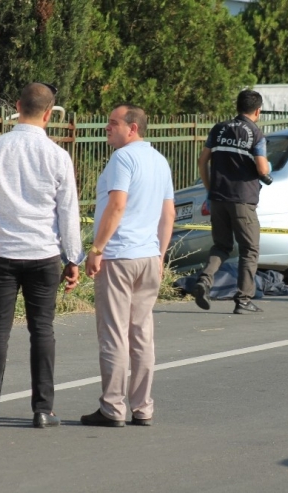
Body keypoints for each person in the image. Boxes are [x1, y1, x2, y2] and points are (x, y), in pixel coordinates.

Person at [0, 82, 83, 428]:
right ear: (49, 113)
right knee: (42, 330)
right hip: (44, 253)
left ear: (17, 106)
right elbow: (68, 212)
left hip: (2, 251)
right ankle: (42, 409)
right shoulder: (58, 156)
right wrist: (72, 257)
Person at [80, 103, 175, 427]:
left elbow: (117, 205)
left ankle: (113, 407)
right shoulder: (159, 160)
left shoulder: (123, 158)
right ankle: (143, 406)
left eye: (113, 123)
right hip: (148, 256)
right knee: (141, 334)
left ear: (132, 128)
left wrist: (97, 248)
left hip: (120, 255)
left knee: (114, 334)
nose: (108, 128)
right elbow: (169, 214)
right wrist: (160, 255)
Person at [192, 89, 273, 314]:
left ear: (237, 106)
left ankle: (205, 280)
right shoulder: (255, 134)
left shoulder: (219, 129)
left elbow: (202, 161)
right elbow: (262, 168)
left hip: (218, 198)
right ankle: (244, 300)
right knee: (249, 249)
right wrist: (266, 169)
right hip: (243, 199)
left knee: (221, 246)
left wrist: (210, 189)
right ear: (258, 110)